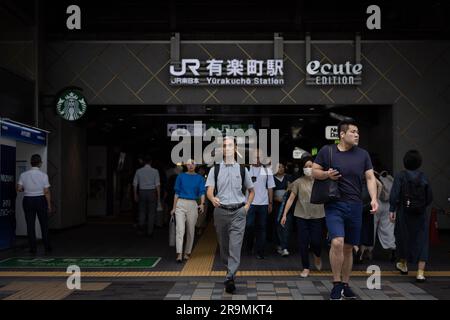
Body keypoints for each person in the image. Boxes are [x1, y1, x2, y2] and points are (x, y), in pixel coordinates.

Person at [312, 119, 379, 300]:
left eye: (358, 132)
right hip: (334, 204)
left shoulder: (363, 154)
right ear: (342, 134)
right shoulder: (328, 151)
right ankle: (336, 284)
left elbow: (371, 178)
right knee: (337, 242)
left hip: (356, 205)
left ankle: (346, 284)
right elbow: (314, 171)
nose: (357, 135)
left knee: (349, 248)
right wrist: (326, 174)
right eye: (353, 132)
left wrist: (373, 199)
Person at [206, 136, 255, 294]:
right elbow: (209, 191)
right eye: (224, 145)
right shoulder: (215, 169)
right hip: (221, 212)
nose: (226, 148)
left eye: (229, 145)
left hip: (238, 212)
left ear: (234, 149)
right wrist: (212, 198)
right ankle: (230, 271)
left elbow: (251, 191)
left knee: (235, 246)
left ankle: (230, 277)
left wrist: (247, 206)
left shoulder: (242, 169)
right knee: (224, 245)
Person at [389, 150, 433, 282]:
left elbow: (395, 194)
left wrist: (392, 209)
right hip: (420, 214)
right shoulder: (423, 177)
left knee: (403, 237)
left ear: (405, 162)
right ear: (419, 162)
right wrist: (421, 206)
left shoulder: (400, 176)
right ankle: (420, 273)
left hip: (404, 212)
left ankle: (403, 265)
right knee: (422, 240)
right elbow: (429, 197)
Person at [281, 155, 325, 278]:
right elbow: (290, 199)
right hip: (301, 216)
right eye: (306, 167)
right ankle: (305, 267)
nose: (308, 168)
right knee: (303, 243)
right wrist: (284, 214)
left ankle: (317, 255)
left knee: (316, 241)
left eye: (310, 166)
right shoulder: (298, 182)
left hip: (318, 215)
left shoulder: (321, 181)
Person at [16, 154, 52, 254]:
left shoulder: (23, 175)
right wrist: (49, 205)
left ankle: (33, 248)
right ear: (40, 163)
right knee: (44, 224)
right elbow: (46, 192)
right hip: (40, 200)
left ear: (31, 163)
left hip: (28, 200)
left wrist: (25, 189)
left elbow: (18, 189)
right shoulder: (44, 175)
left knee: (30, 225)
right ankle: (47, 246)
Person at [171, 160, 206, 262]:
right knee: (180, 229)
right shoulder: (180, 176)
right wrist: (173, 208)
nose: (191, 165)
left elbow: (202, 192)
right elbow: (176, 193)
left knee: (191, 230)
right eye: (189, 163)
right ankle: (179, 254)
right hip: (180, 203)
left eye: (193, 163)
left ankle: (187, 252)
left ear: (196, 165)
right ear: (186, 165)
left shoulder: (199, 178)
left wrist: (202, 204)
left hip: (193, 204)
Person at [244, 148, 275, 259]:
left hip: (263, 203)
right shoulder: (246, 170)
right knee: (249, 225)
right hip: (249, 203)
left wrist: (270, 203)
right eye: (255, 156)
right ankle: (249, 244)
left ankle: (260, 251)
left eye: (259, 157)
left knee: (262, 227)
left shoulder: (267, 170)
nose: (257, 159)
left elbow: (270, 187)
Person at [133, 155, 161, 237]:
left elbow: (135, 184)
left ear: (144, 162)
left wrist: (135, 194)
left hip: (141, 191)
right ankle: (150, 231)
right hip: (152, 192)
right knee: (151, 213)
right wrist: (158, 198)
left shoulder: (138, 171)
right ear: (151, 162)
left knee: (142, 210)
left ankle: (141, 225)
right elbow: (157, 185)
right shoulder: (155, 171)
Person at [272, 162, 293, 256]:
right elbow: (270, 192)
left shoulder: (289, 178)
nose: (281, 168)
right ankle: (279, 244)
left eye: (282, 167)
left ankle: (285, 246)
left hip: (287, 206)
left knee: (287, 225)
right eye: (278, 167)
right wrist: (275, 199)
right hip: (276, 206)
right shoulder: (271, 178)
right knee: (277, 225)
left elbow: (292, 190)